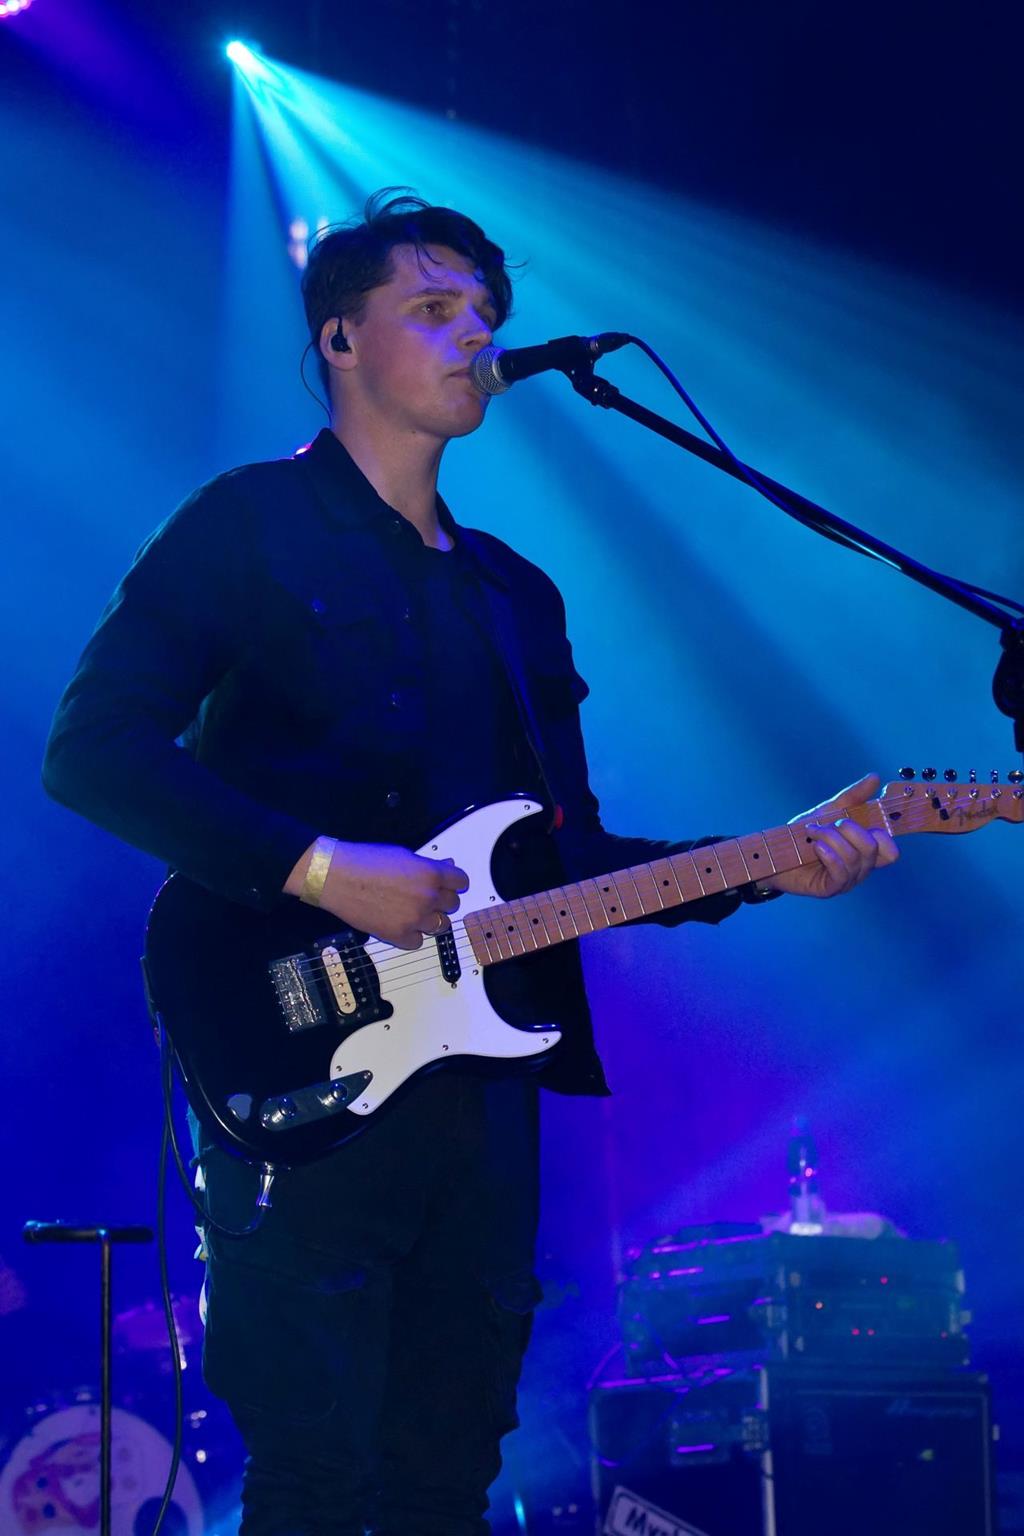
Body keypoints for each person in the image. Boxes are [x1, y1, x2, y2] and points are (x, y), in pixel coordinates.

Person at [42, 190, 897, 1535]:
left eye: (487, 313)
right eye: (435, 309)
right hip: (291, 1052)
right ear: (340, 338)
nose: (477, 336)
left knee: (448, 1483)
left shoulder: (516, 595)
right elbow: (92, 751)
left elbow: (567, 856)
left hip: (484, 1086)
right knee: (313, 1480)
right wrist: (318, 868)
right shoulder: (245, 526)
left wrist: (767, 864)